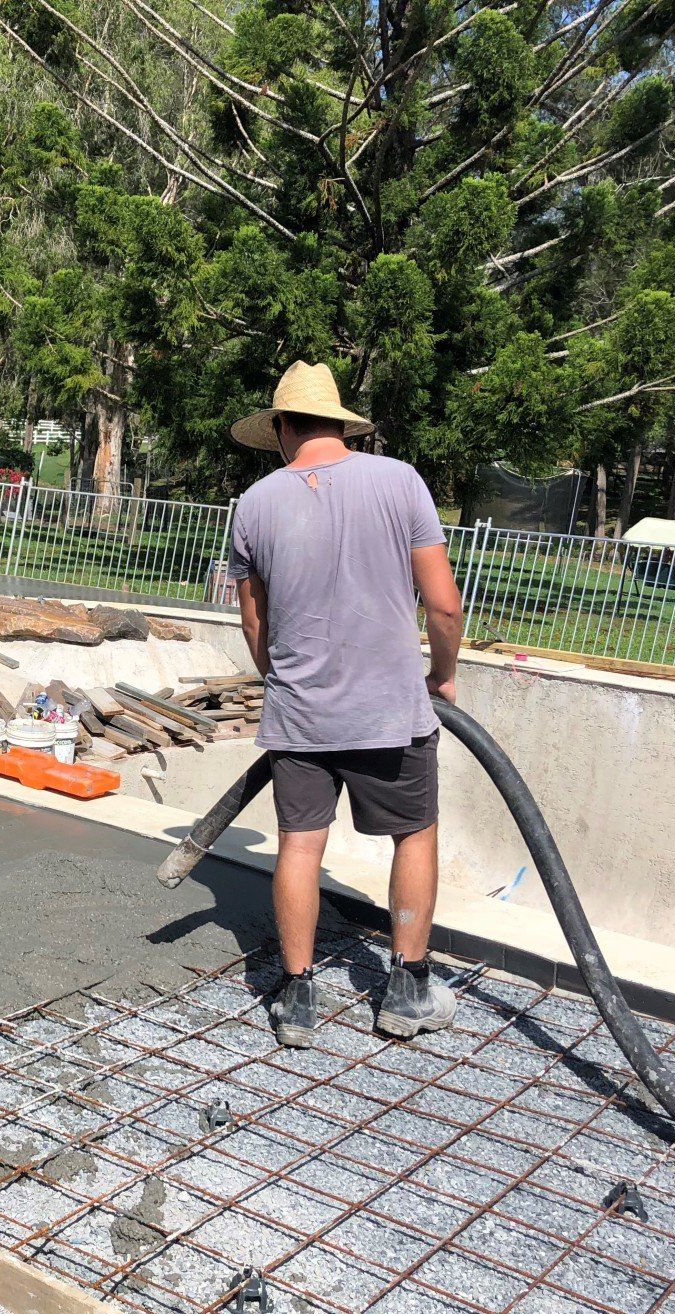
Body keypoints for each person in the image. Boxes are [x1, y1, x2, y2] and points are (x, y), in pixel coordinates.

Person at [225, 361, 465, 1047]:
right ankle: (408, 991)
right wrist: (442, 675)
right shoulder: (400, 481)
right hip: (390, 707)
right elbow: (443, 606)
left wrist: (283, 679)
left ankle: (298, 998)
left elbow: (253, 623)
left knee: (301, 845)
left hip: (301, 714)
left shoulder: (255, 503)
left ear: (282, 428)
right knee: (413, 834)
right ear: (339, 424)